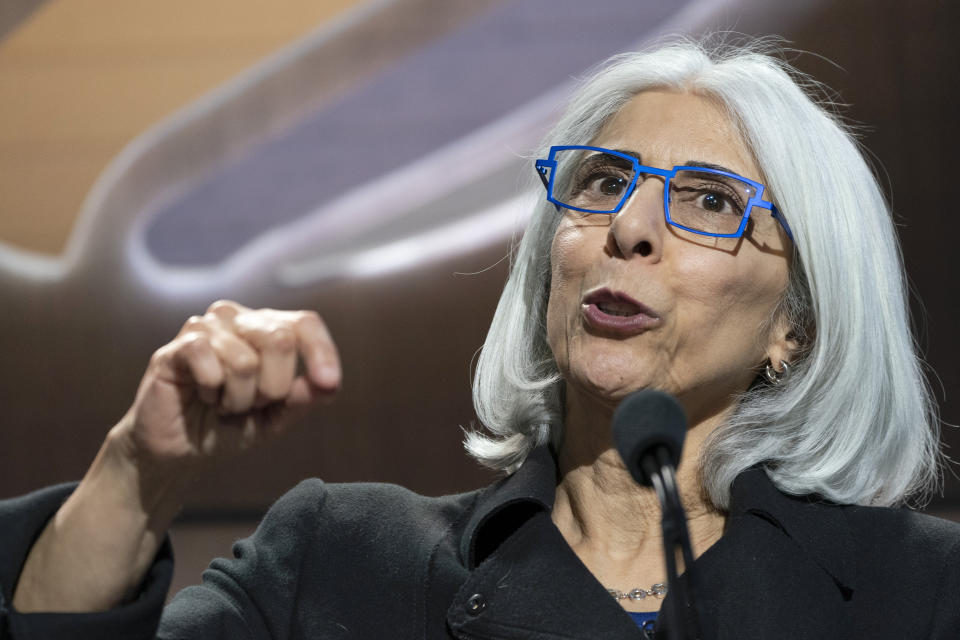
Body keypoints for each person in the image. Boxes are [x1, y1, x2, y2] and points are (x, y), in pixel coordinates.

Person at [2, 38, 959, 640]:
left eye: (708, 202)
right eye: (600, 182)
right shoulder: (339, 561)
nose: (630, 227)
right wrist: (137, 475)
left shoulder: (920, 592)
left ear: (795, 323)